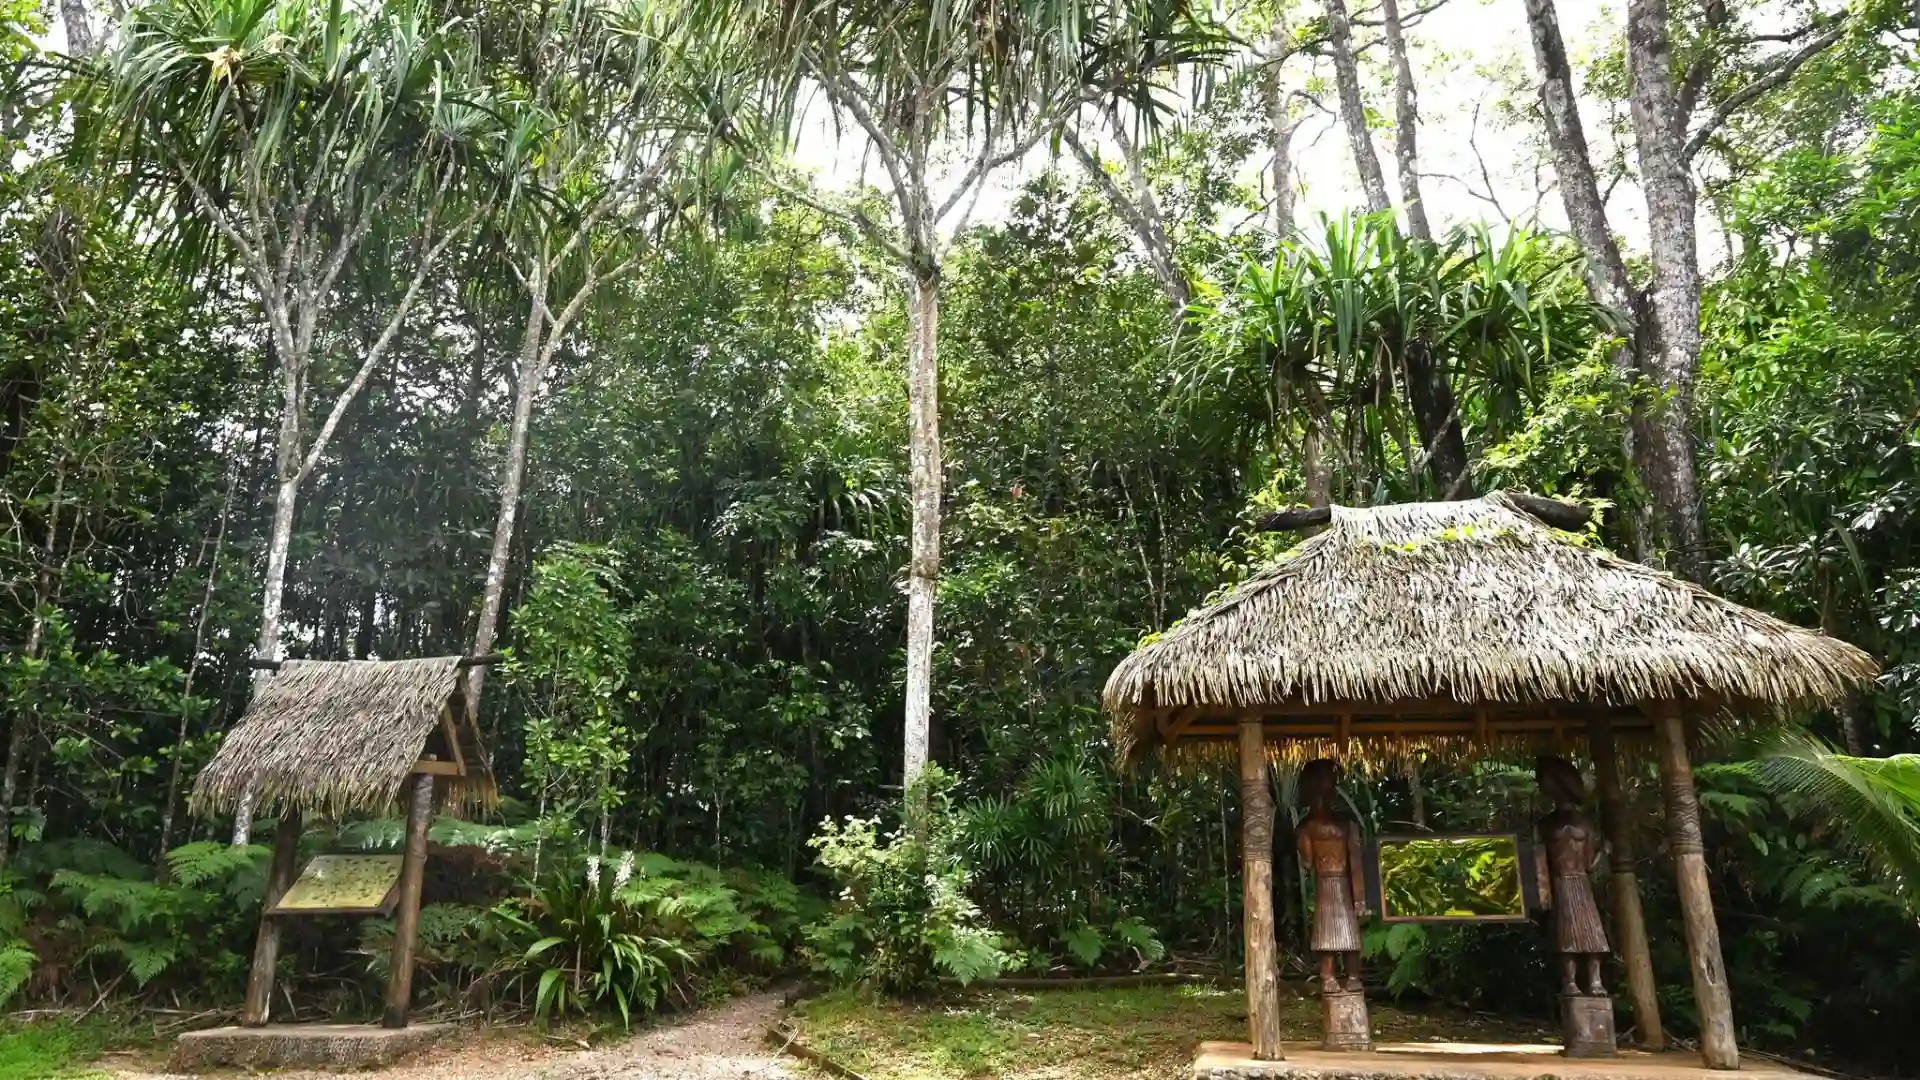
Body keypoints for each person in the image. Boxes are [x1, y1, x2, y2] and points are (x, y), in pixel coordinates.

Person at [1536, 755, 1609, 996]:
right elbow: (1540, 861)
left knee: (1593, 932)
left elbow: (1589, 862)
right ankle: (1570, 981)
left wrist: (1603, 853)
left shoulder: (1585, 824)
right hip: (1561, 881)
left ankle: (1595, 981)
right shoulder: (1546, 825)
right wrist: (1543, 892)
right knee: (1566, 932)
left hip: (1581, 882)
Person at [1296, 758, 1366, 993]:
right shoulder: (1308, 827)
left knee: (1348, 932)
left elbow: (1355, 863)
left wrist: (1360, 899)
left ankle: (1351, 976)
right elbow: (1307, 862)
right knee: (1327, 930)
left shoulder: (1344, 824)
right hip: (1327, 884)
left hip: (1341, 883)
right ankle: (1329, 976)